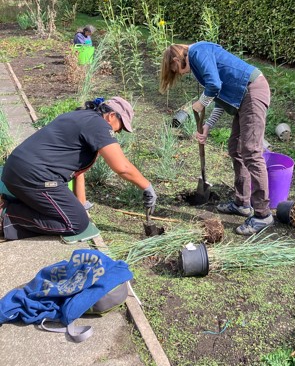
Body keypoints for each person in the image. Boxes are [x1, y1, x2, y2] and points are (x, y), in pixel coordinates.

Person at [0, 97, 157, 241]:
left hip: (17, 171)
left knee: (75, 213)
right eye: (120, 127)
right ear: (111, 116)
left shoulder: (81, 117)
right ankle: (5, 217)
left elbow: (77, 170)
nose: (118, 132)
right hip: (35, 177)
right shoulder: (99, 125)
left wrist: (80, 204)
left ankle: (9, 206)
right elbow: (122, 167)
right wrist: (147, 186)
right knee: (75, 223)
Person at [161, 42, 272, 236]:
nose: (180, 73)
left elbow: (214, 85)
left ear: (177, 59)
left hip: (252, 92)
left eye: (175, 69)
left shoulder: (197, 52)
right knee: (236, 149)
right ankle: (242, 203)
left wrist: (201, 103)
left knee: (251, 152)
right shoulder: (198, 59)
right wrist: (208, 125)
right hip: (243, 96)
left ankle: (263, 215)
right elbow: (222, 95)